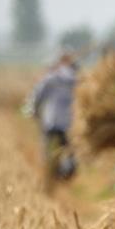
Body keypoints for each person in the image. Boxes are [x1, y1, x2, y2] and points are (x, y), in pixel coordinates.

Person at [25, 50, 79, 182]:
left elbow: (37, 95)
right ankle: (66, 173)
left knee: (47, 147)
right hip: (68, 121)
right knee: (67, 148)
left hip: (51, 119)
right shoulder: (75, 79)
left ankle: (48, 173)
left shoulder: (51, 78)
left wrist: (33, 110)